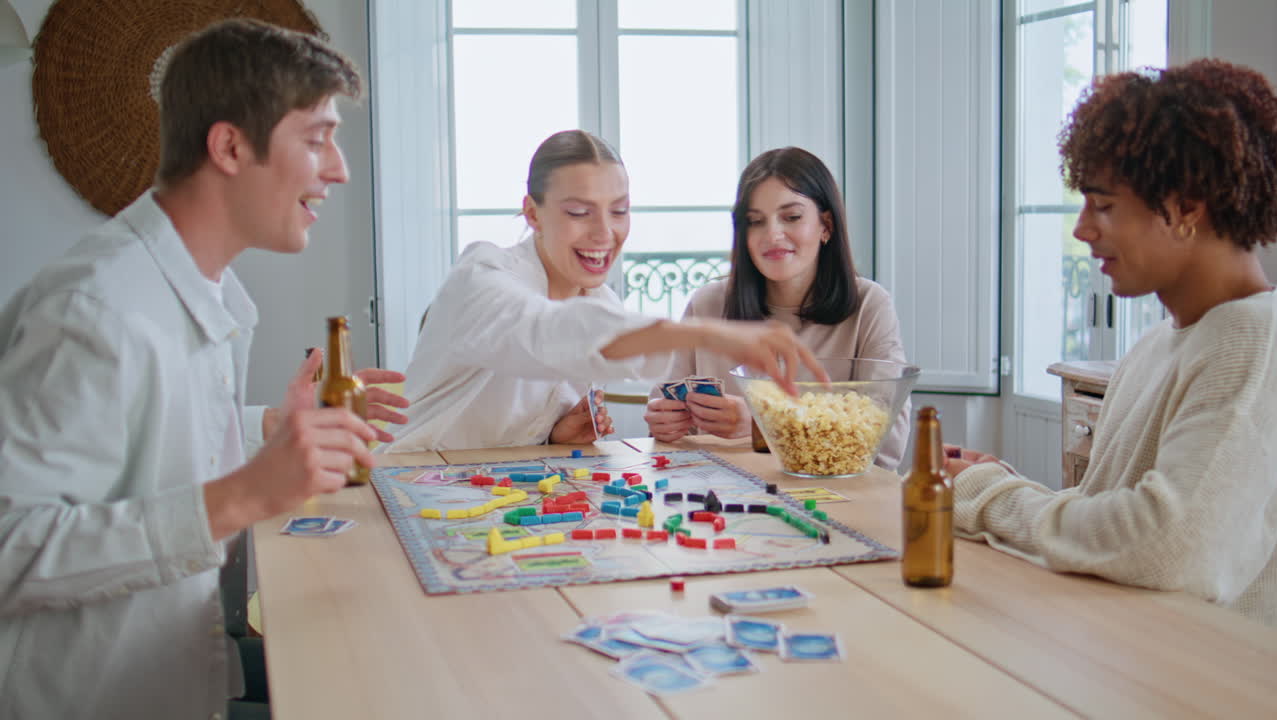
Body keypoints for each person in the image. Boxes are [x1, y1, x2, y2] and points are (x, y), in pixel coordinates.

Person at [0, 19, 408, 719]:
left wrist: (275, 428)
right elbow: (11, 550)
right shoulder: (92, 310)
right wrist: (243, 496)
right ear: (228, 145)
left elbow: (138, 445)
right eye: (316, 140)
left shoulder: (202, 289)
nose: (338, 168)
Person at [947, 59, 1277, 626]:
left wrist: (987, 497)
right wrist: (1007, 483)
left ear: (1185, 209)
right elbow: (1113, 524)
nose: (1082, 229)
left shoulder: (1252, 339)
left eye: (1103, 205)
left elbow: (1165, 546)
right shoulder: (1158, 345)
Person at [383, 130, 826, 452]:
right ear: (532, 214)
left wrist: (552, 434)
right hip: (406, 482)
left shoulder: (598, 300)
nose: (604, 233)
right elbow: (548, 332)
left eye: (619, 211)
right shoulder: (481, 275)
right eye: (579, 212)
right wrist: (708, 334)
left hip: (492, 499)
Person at [643, 147, 910, 470]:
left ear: (826, 225)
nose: (772, 235)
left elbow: (885, 441)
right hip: (721, 501)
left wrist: (761, 427)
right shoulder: (706, 305)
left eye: (792, 217)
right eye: (755, 222)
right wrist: (663, 423)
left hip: (838, 501)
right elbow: (663, 413)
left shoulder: (870, 305)